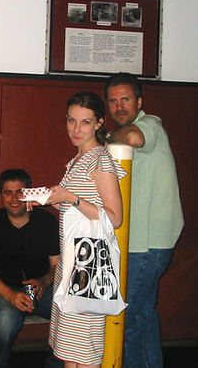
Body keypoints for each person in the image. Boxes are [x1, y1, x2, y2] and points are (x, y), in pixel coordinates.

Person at [105, 73, 184, 368]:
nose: (119, 106)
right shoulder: (125, 133)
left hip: (147, 245)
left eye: (125, 99)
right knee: (143, 317)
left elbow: (134, 138)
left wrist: (105, 137)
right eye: (113, 101)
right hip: (139, 243)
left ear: (139, 102)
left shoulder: (151, 124)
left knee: (122, 322)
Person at [47, 91, 126, 367]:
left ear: (99, 123)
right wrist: (52, 200)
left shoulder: (100, 160)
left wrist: (70, 198)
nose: (76, 129)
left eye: (85, 122)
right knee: (71, 350)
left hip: (88, 267)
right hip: (72, 264)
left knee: (84, 352)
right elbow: (79, 210)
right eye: (71, 120)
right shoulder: (78, 160)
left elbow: (114, 218)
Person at [0, 169, 60, 368]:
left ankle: (56, 364)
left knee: (68, 312)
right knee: (6, 322)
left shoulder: (47, 221)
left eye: (20, 192)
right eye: (8, 193)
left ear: (29, 193)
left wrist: (45, 281)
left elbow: (57, 265)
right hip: (3, 287)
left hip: (41, 287)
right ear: (1, 195)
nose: (14, 199)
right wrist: (10, 295)